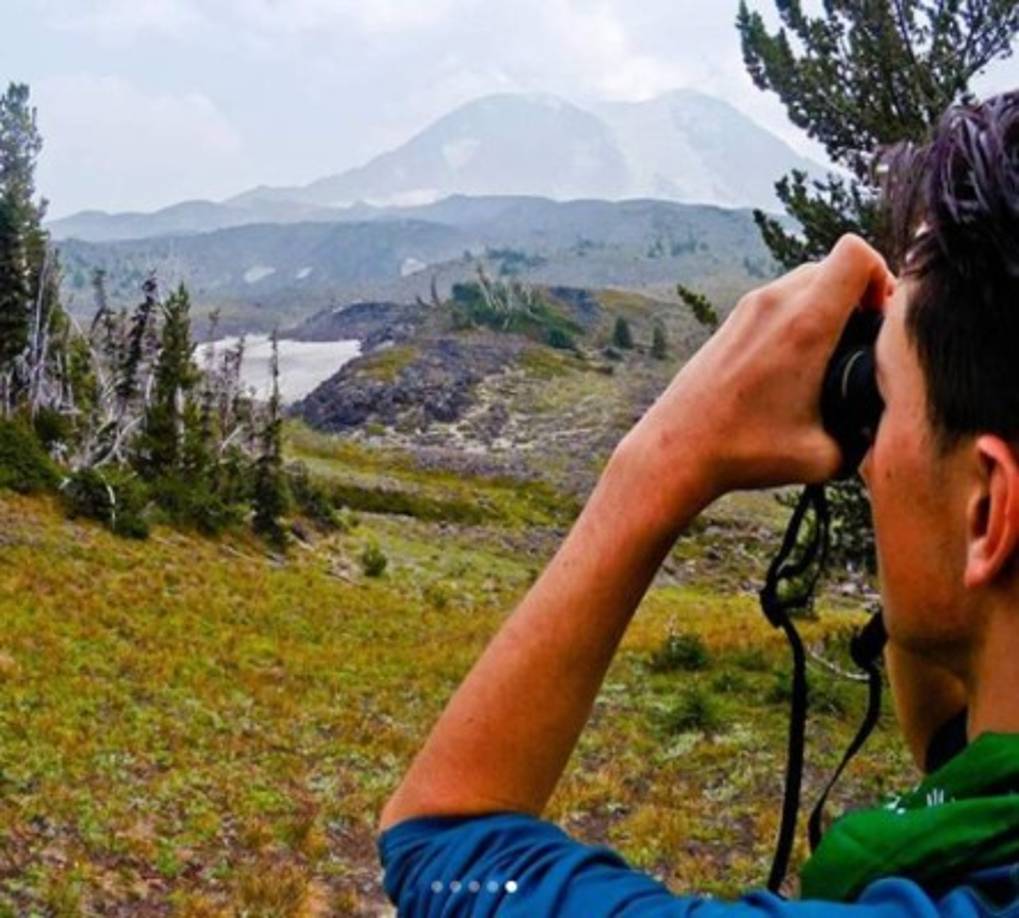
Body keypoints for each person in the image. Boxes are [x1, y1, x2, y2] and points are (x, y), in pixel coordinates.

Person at [376, 90, 1019, 915]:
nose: (868, 463)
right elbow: (956, 742)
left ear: (987, 511)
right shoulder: (987, 808)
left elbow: (440, 841)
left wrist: (662, 458)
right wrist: (909, 419)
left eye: (882, 403)